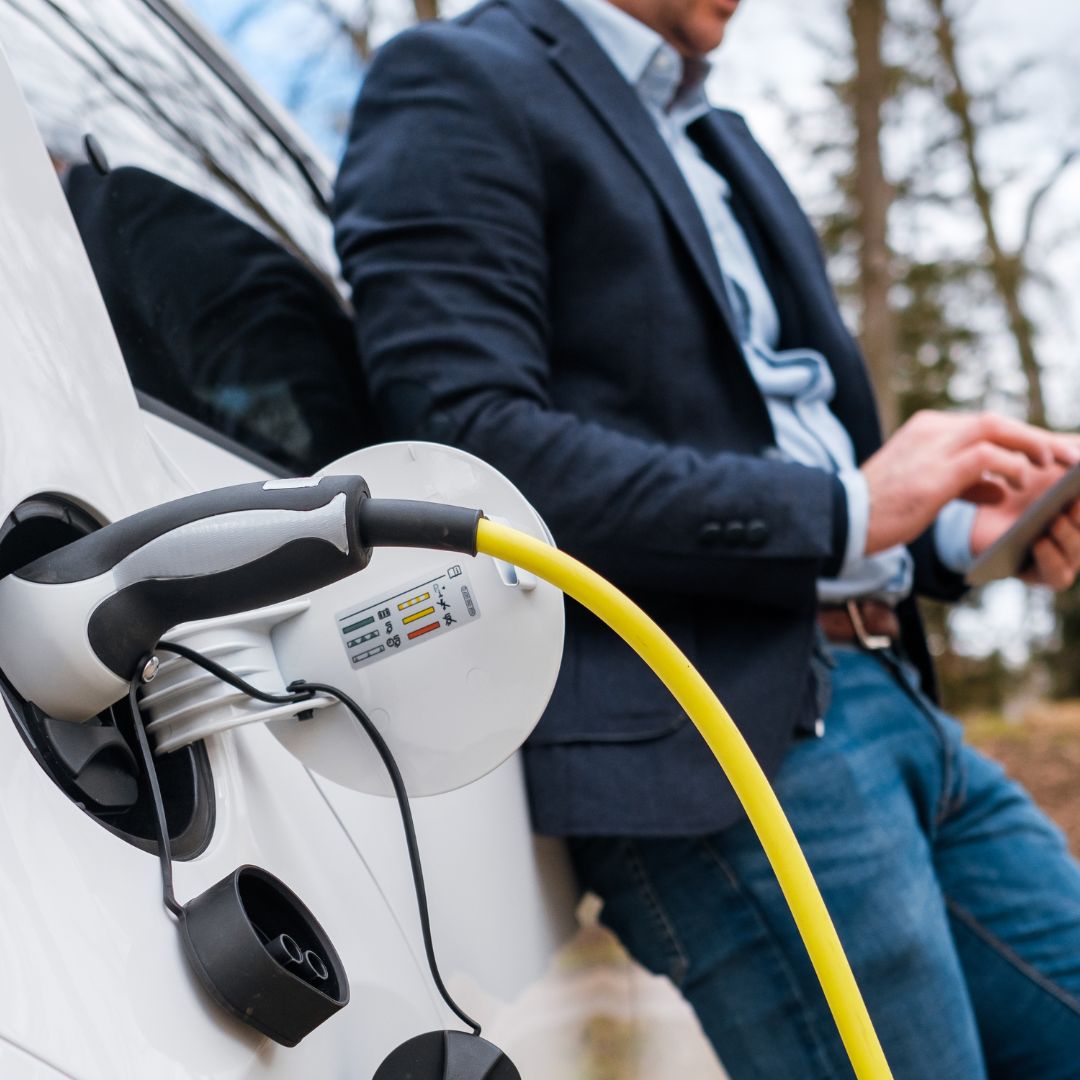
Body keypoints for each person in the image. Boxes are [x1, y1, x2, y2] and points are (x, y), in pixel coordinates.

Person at [332, 0, 1080, 1075]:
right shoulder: (458, 75)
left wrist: (958, 536)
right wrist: (849, 509)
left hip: (892, 697)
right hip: (727, 740)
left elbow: (776, 445)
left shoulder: (715, 134)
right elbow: (470, 450)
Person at [63, 162, 374, 473]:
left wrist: (310, 508)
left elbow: (276, 395)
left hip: (356, 495)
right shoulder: (65, 301)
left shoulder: (115, 212)